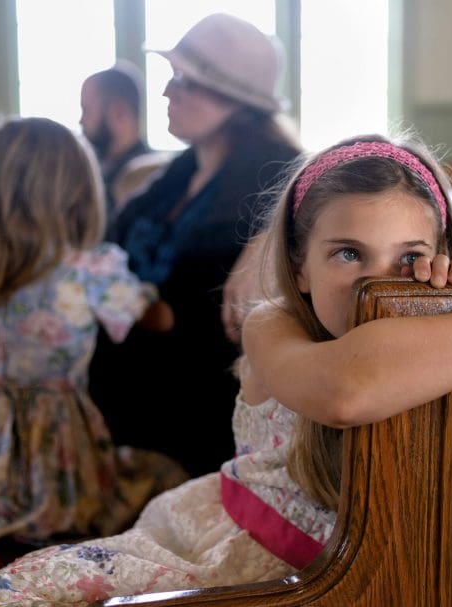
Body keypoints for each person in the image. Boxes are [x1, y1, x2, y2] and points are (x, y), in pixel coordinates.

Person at [0, 133, 452, 604]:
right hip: (240, 548)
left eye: (409, 257)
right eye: (348, 253)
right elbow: (345, 389)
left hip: (375, 573)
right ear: (300, 266)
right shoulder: (272, 325)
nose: (376, 282)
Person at [88, 13, 303, 477]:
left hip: (190, 406)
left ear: (234, 99)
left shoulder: (275, 177)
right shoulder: (182, 170)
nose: (167, 91)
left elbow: (198, 312)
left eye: (185, 81)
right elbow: (111, 242)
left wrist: (267, 237)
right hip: (132, 382)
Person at [0, 117, 187, 553]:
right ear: (79, 192)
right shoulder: (91, 268)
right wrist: (151, 293)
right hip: (56, 433)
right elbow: (158, 319)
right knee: (162, 477)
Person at [80, 60, 154, 214]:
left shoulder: (148, 180)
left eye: (86, 110)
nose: (81, 121)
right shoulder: (90, 172)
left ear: (119, 112)